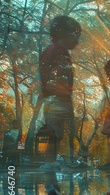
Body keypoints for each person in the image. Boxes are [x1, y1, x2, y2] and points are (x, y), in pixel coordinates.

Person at [40, 15, 81, 164]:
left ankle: (49, 161)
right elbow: (56, 75)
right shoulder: (58, 51)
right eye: (75, 36)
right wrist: (61, 95)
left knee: (56, 131)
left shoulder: (53, 51)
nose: (77, 41)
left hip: (55, 97)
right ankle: (49, 162)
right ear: (63, 34)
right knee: (55, 132)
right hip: (58, 97)